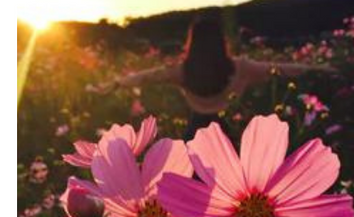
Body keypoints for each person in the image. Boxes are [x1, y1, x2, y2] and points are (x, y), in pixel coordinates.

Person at [95, 13, 334, 139]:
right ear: (221, 40)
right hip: (230, 131)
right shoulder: (241, 67)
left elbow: (146, 76)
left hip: (195, 133)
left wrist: (114, 83)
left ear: (193, 41)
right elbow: (279, 68)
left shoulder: (183, 70)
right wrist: (317, 69)